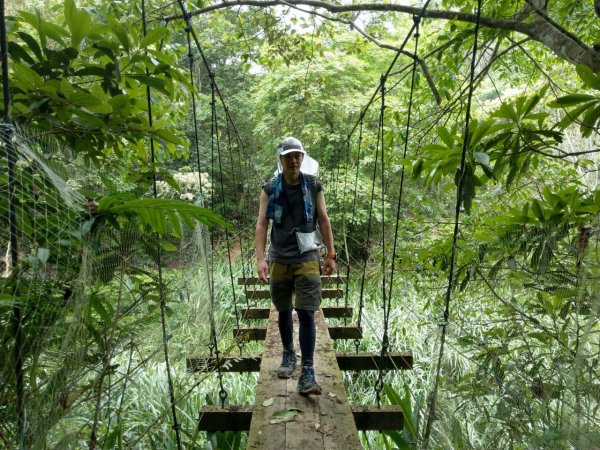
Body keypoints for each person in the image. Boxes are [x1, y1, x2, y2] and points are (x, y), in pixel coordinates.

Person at [255, 136, 336, 395]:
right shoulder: (269, 188)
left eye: (297, 155)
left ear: (303, 158)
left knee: (306, 312)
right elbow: (261, 224)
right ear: (281, 159)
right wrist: (260, 259)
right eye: (288, 156)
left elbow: (323, 219)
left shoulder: (313, 185)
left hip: (307, 257)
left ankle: (308, 372)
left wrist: (331, 255)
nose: (293, 160)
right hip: (279, 257)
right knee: (282, 309)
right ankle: (289, 354)